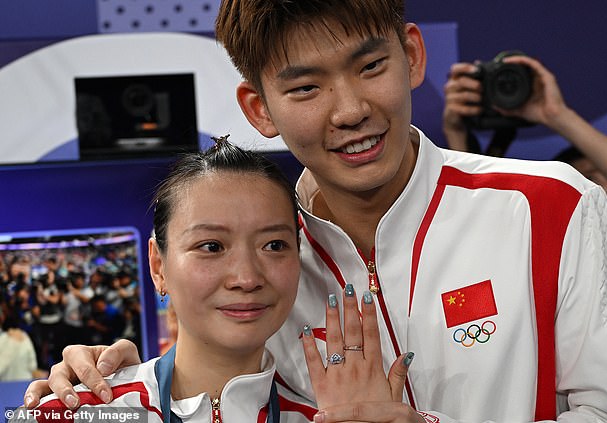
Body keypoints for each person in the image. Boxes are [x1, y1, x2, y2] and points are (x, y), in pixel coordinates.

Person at [26, 1, 607, 422]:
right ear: (259, 108)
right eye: (305, 88)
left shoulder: (553, 206)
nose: (349, 111)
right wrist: (110, 388)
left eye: (370, 67)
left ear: (413, 55)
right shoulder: (268, 268)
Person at [16, 139, 413, 422]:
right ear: (158, 266)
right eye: (211, 246)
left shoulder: (326, 420)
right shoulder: (79, 413)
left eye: (274, 244)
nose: (246, 277)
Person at [443, 54, 607, 248]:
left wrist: (557, 115)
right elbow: (479, 226)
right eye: (570, 187)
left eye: (592, 181)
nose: (581, 193)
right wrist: (456, 134)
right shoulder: (534, 274)